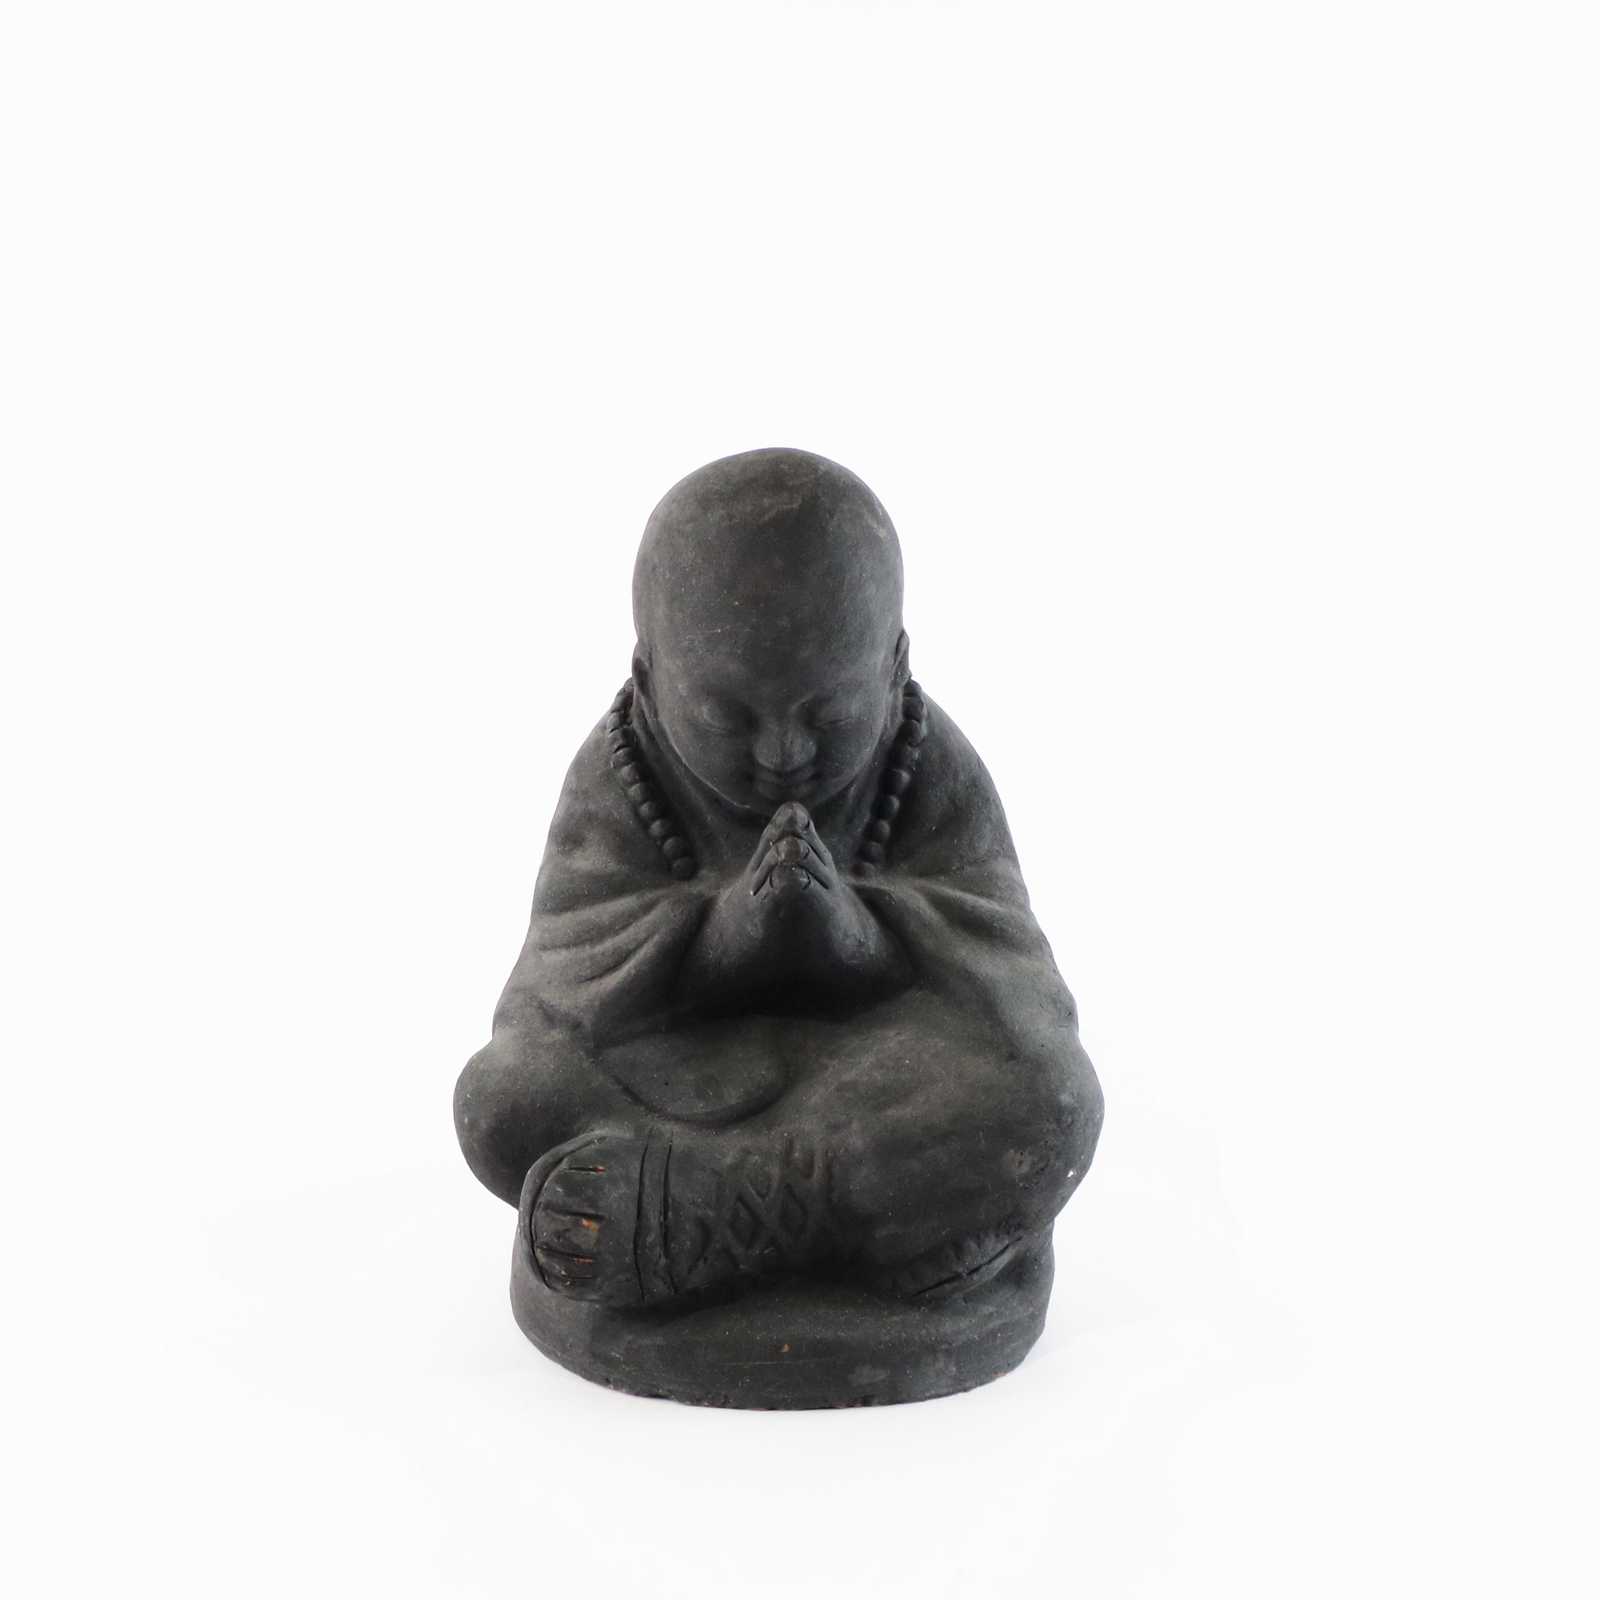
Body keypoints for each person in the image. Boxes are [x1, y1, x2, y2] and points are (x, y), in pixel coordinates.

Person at [455, 448, 1103, 1316]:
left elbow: (1013, 978)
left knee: (1053, 1097)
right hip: (688, 1078)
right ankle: (889, 1223)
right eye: (725, 716)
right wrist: (730, 934)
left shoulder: (923, 757)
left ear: (894, 667)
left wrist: (853, 934)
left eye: (829, 713)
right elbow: (561, 983)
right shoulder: (620, 773)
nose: (783, 753)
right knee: (502, 1101)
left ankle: (715, 1215)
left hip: (878, 1076)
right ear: (649, 679)